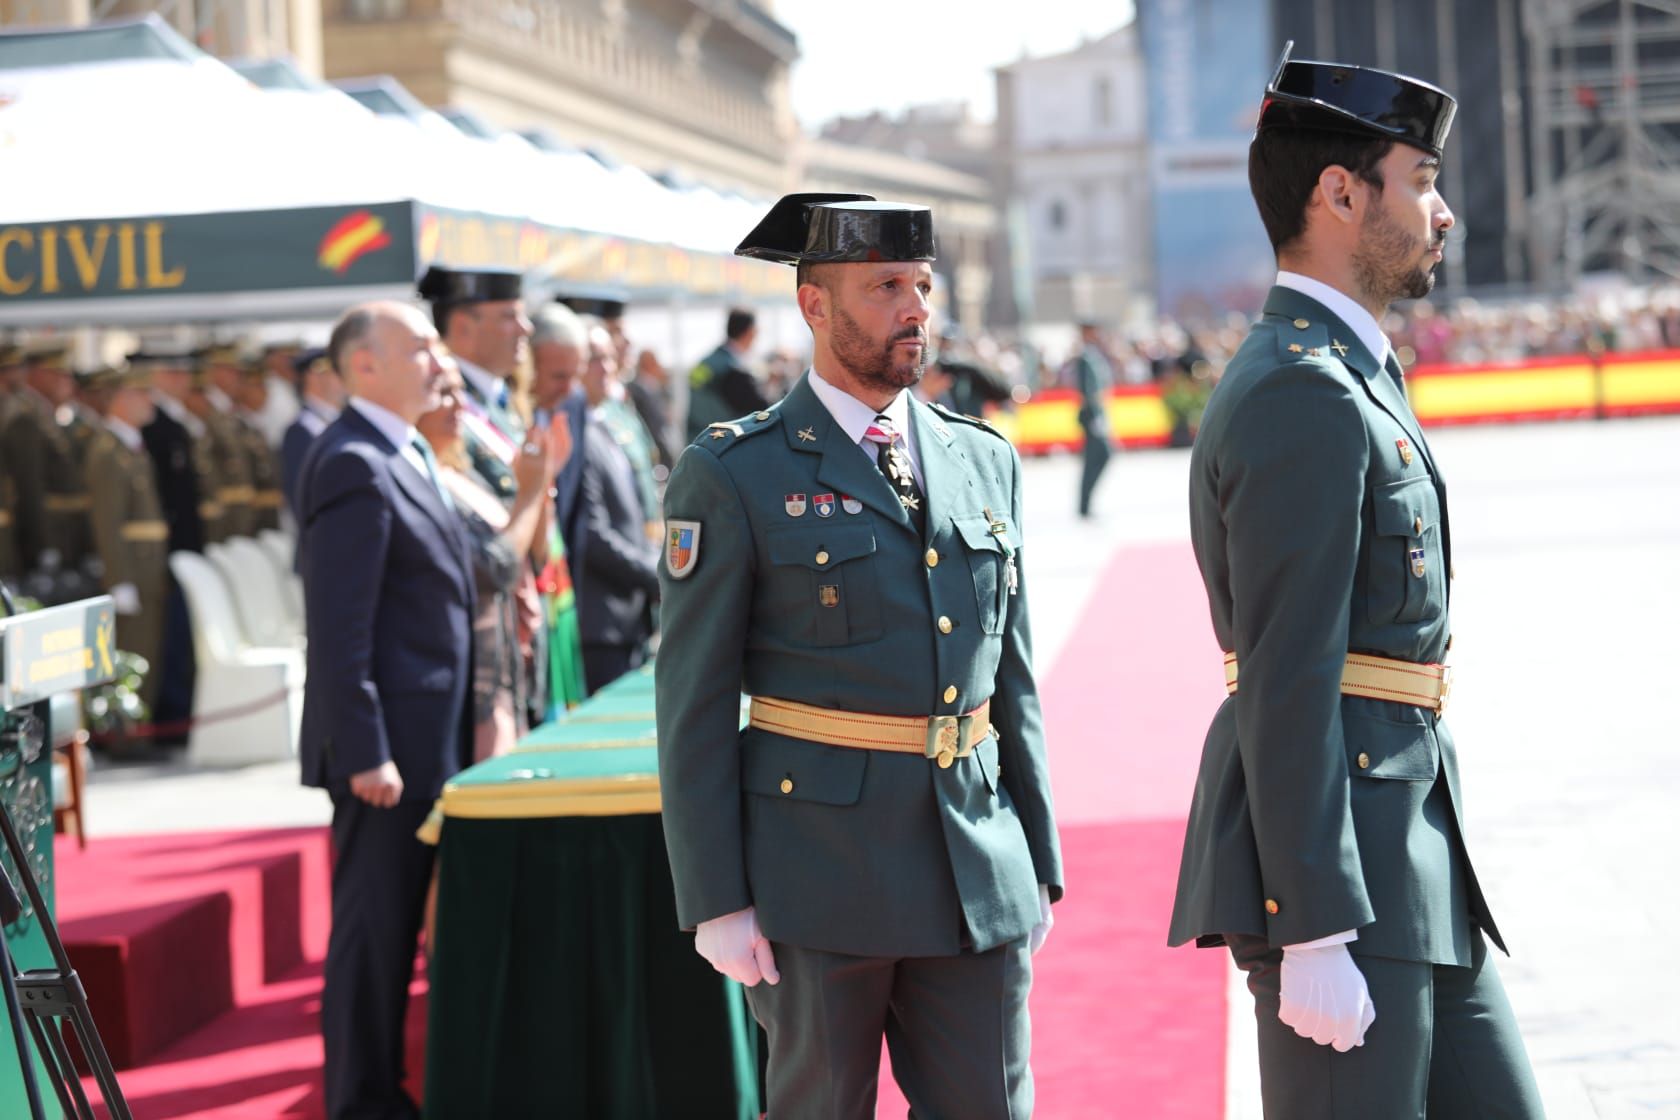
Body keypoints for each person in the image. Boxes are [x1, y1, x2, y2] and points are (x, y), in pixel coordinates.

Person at [1167, 45, 1544, 1118]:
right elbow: (1286, 673)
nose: (1443, 211)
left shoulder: (1348, 370)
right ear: (1339, 194)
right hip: (1348, 882)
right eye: (1418, 180)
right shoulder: (1303, 390)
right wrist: (1315, 923)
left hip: (1413, 861)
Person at [656, 193, 1062, 1118]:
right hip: (818, 875)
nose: (916, 308)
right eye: (886, 286)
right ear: (814, 306)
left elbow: (1013, 681)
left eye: (923, 285)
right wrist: (715, 899)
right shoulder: (736, 472)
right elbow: (694, 703)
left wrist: (1034, 853)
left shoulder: (980, 459)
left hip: (974, 863)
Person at [296, 301, 476, 1120]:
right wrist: (365, 750)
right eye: (421, 345)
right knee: (373, 939)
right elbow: (341, 628)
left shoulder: (402, 450)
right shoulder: (354, 462)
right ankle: (362, 1103)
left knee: (398, 933)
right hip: (388, 758)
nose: (441, 358)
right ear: (364, 364)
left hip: (427, 740)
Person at [418, 353, 566, 760]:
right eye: (443, 394)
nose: (458, 406)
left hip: (503, 668)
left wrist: (541, 483)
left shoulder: (460, 475)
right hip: (470, 685)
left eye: (459, 393)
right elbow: (495, 566)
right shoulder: (426, 479)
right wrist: (531, 491)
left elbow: (532, 556)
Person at [573, 322, 660, 694]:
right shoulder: (574, 431)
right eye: (594, 359)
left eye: (608, 357)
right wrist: (658, 577)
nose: (605, 368)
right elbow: (592, 534)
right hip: (600, 622)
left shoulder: (603, 422)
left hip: (628, 614)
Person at [83, 365, 168, 709]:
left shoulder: (130, 446)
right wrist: (119, 580)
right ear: (121, 398)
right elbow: (107, 521)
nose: (150, 402)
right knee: (132, 652)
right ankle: (126, 737)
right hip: (131, 570)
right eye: (142, 394)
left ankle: (138, 731)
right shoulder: (108, 450)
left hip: (147, 570)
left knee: (146, 648)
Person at [419, 266, 530, 494]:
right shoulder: (441, 403)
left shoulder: (502, 395)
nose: (526, 328)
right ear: (463, 327)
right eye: (510, 316)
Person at [3, 343, 91, 580]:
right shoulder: (24, 416)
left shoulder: (41, 412)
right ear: (37, 374)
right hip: (45, 536)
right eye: (58, 373)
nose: (66, 380)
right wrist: (41, 545)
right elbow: (29, 487)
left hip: (64, 535)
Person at [193, 344, 259, 539]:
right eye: (231, 371)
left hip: (241, 513)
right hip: (223, 518)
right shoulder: (205, 410)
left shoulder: (233, 412)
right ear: (214, 373)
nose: (238, 378)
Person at [280, 347, 348, 523]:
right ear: (313, 376)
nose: (344, 380)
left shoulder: (337, 422)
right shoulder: (302, 429)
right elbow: (302, 499)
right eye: (336, 372)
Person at [684, 306, 769, 441]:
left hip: (698, 438)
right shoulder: (734, 370)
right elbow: (760, 407)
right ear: (749, 332)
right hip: (722, 441)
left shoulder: (705, 363)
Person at [1072, 321, 1114, 518]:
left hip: (1097, 414)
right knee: (1098, 457)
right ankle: (1084, 505)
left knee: (1098, 458)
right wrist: (1096, 416)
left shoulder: (1093, 354)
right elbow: (1088, 391)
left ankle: (1086, 505)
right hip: (1091, 416)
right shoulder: (1084, 357)